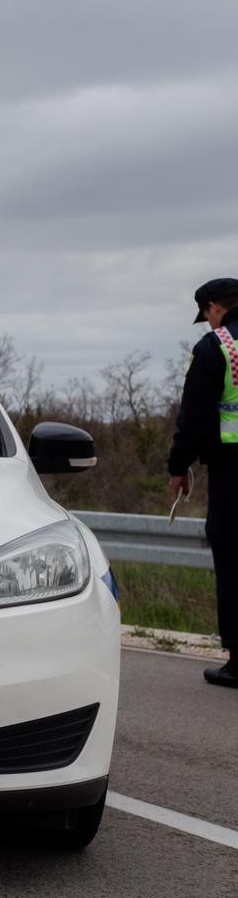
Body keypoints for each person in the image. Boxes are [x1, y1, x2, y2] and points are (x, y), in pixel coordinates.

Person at [168, 277, 238, 687]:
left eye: (207, 317)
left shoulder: (217, 347)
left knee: (233, 559)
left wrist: (179, 466)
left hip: (233, 474)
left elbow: (193, 417)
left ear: (213, 308)